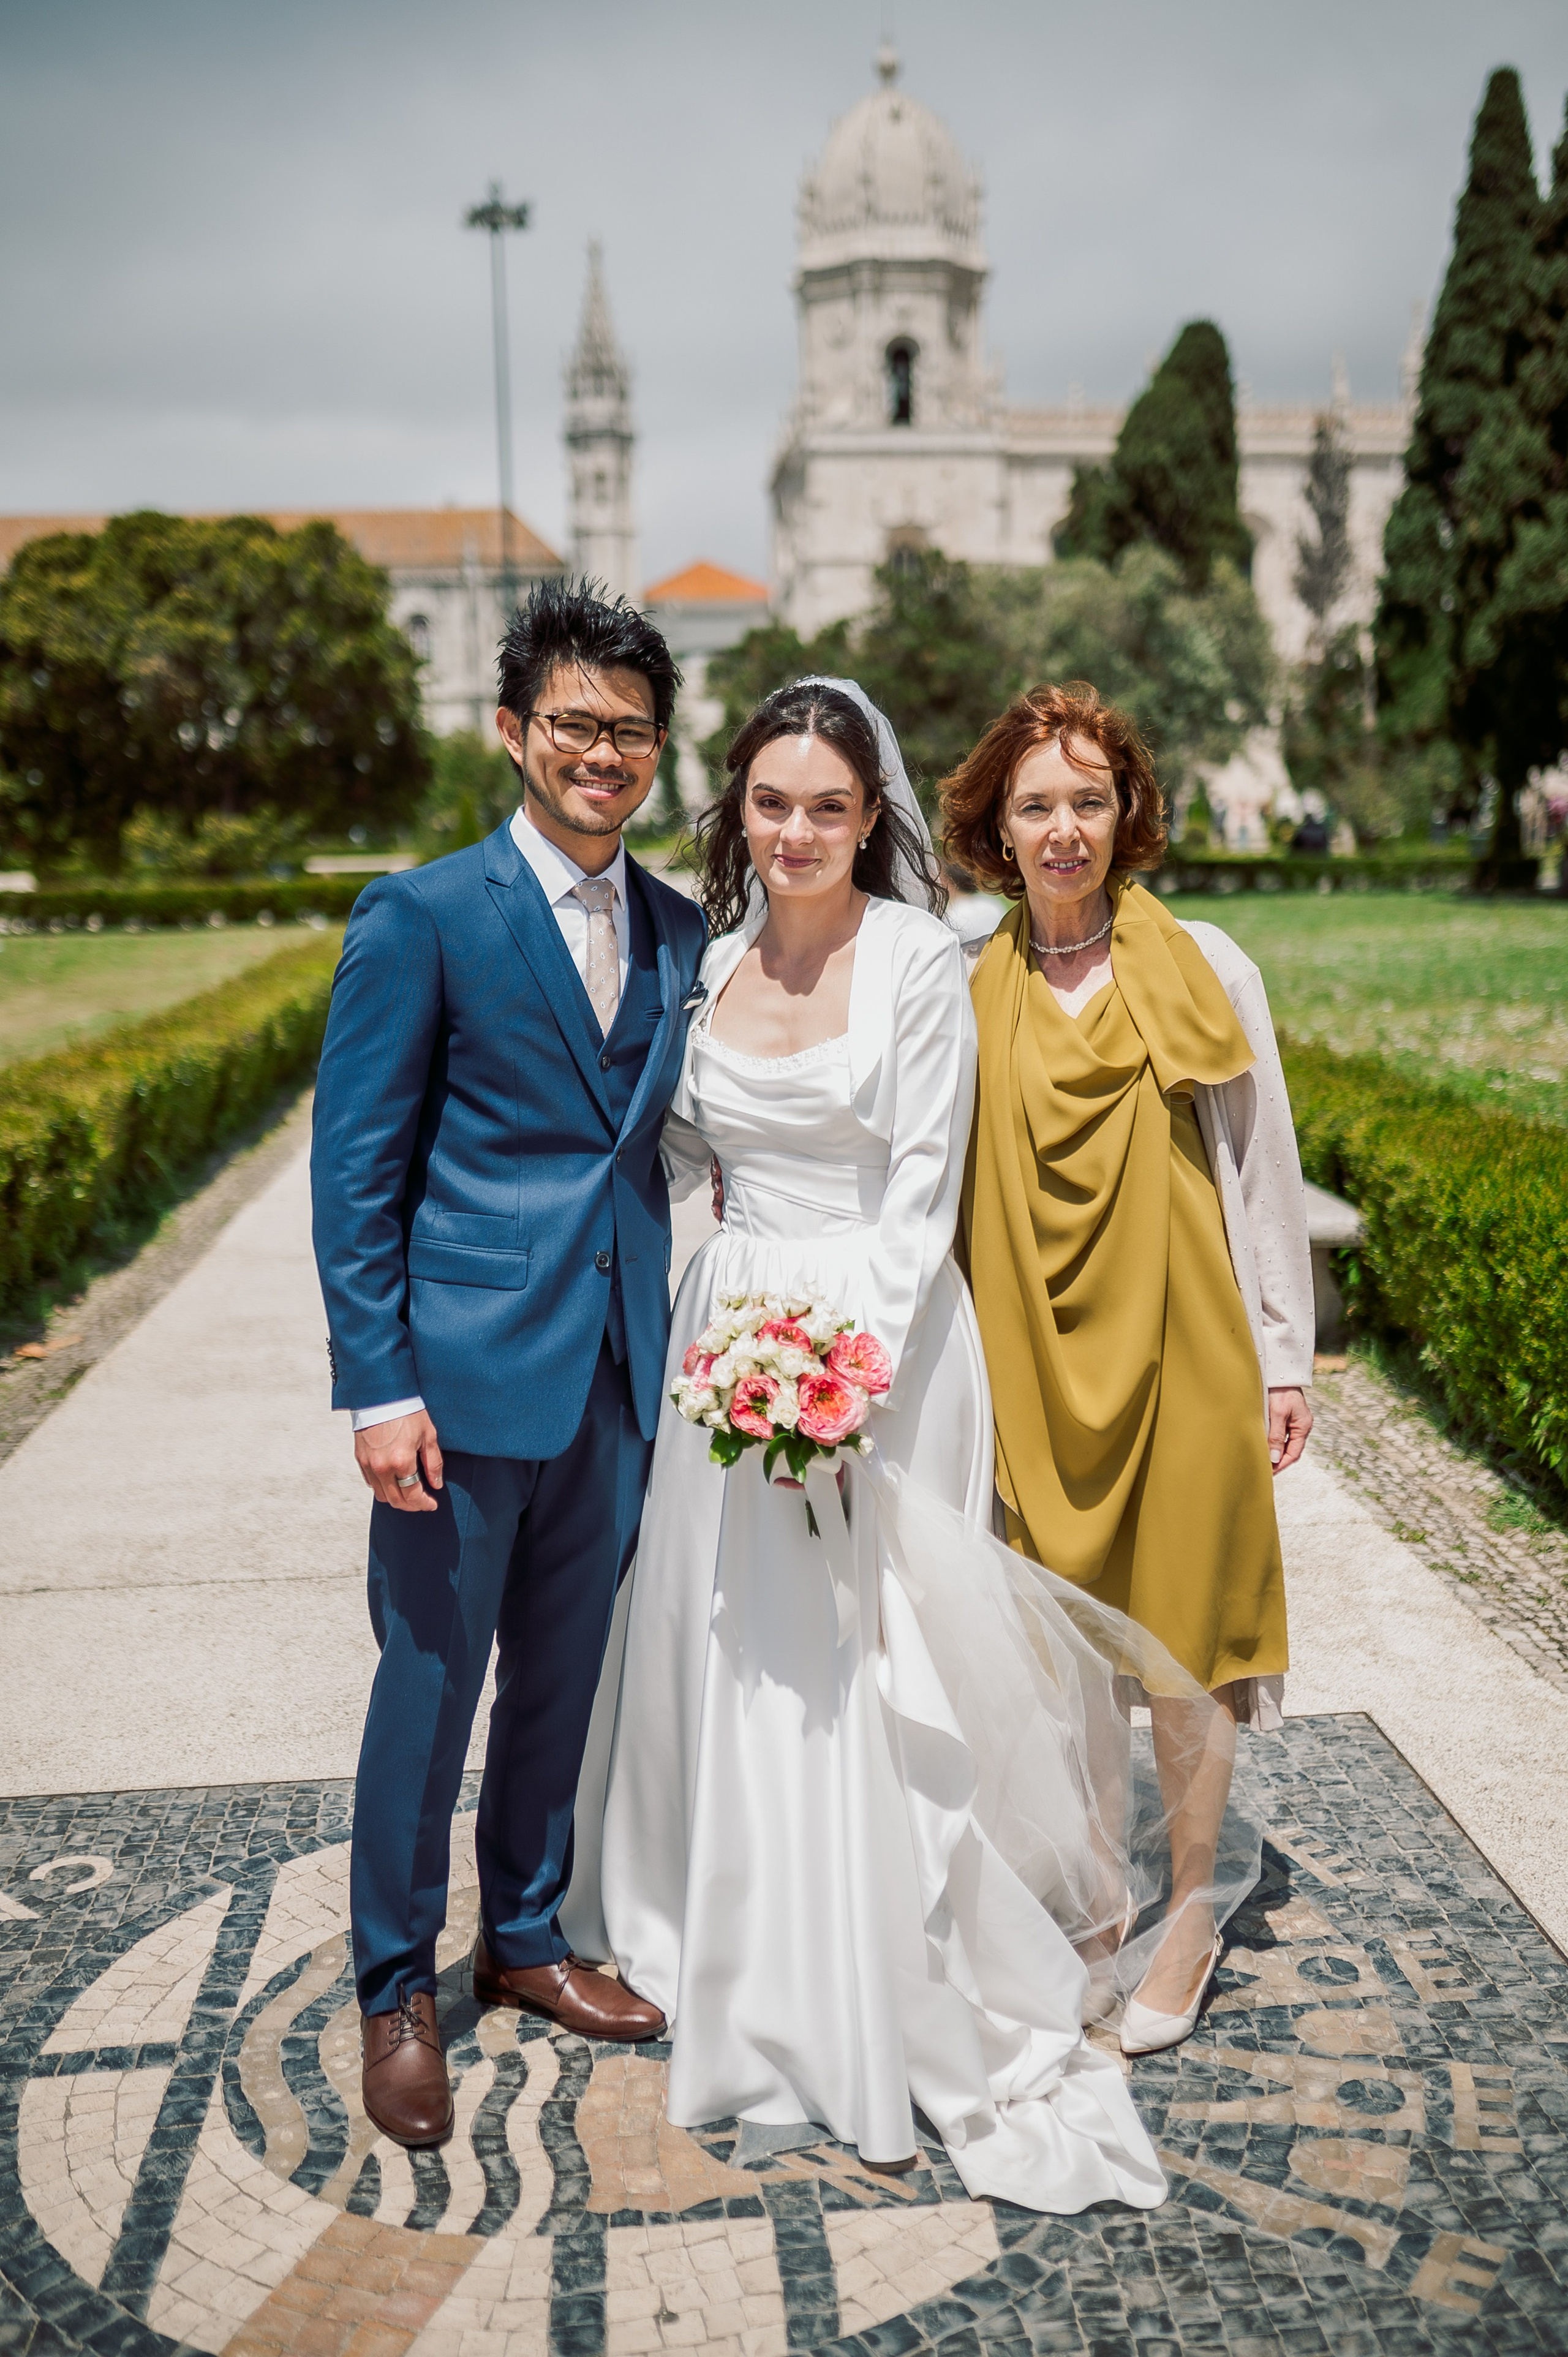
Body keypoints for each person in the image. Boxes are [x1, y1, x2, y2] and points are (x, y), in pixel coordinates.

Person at [566, 678, 1256, 2215]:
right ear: (735, 812)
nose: (797, 829)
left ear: (868, 815)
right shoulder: (711, 958)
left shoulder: (918, 965)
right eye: (770, 802)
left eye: (827, 804)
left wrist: (836, 1381)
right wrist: (725, 1325)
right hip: (726, 1338)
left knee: (878, 1660)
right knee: (731, 1650)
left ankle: (910, 1930)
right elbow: (682, 1150)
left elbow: (920, 1183)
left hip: (874, 1353)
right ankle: (726, 1919)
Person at [311, 578, 707, 2148]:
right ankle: (394, 1986)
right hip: (458, 1383)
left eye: (630, 730)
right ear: (513, 733)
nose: (602, 752)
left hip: (617, 1376)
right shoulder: (419, 916)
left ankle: (527, 1936)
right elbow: (357, 1171)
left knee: (563, 1681)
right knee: (426, 1682)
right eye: (574, 723)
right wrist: (376, 1383)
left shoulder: (679, 928)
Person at [941, 682, 1314, 2056]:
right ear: (994, 822)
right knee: (1068, 1644)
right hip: (1031, 1351)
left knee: (1186, 1644)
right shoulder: (966, 978)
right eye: (1034, 803)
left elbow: (1259, 1164)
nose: (1062, 828)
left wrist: (1284, 1354)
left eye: (1087, 800)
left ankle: (1189, 1915)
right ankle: (1098, 1896)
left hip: (1188, 1352)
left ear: (1126, 812)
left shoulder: (1206, 964)